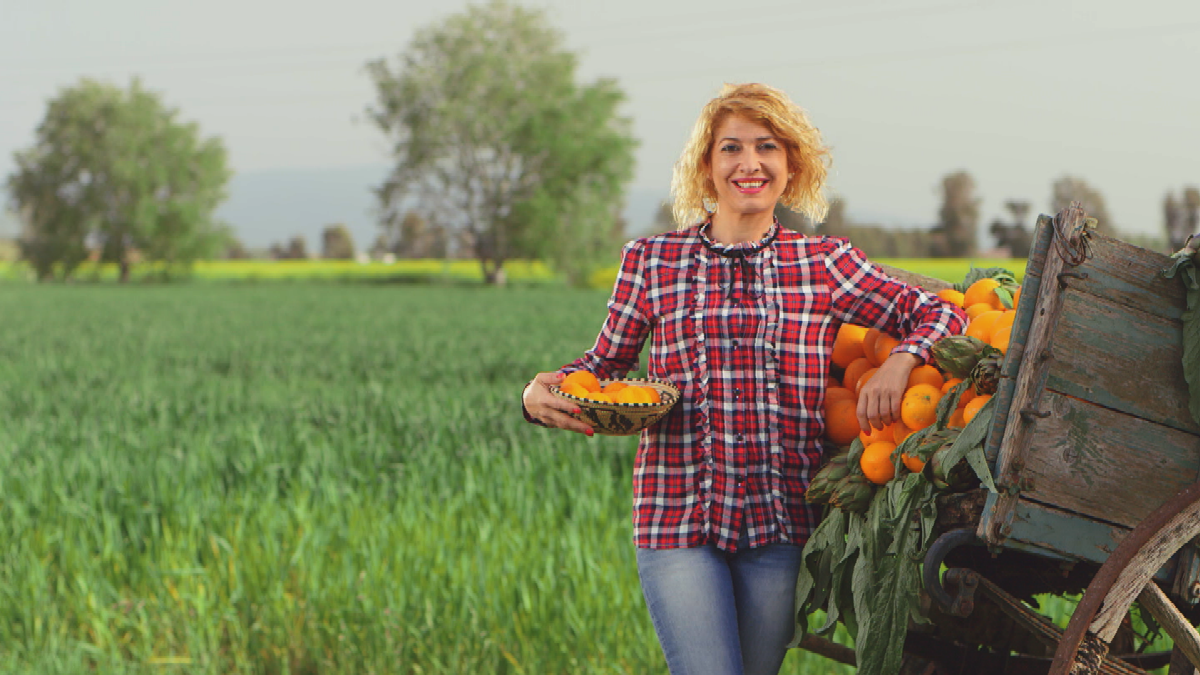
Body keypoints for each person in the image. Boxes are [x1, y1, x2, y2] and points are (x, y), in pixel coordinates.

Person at [521, 82, 967, 675]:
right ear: (707, 167)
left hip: (780, 527)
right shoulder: (652, 261)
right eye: (730, 148)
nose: (748, 163)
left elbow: (944, 311)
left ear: (791, 165)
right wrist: (537, 394)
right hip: (676, 517)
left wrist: (901, 358)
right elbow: (604, 368)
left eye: (767, 147)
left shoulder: (823, 263)